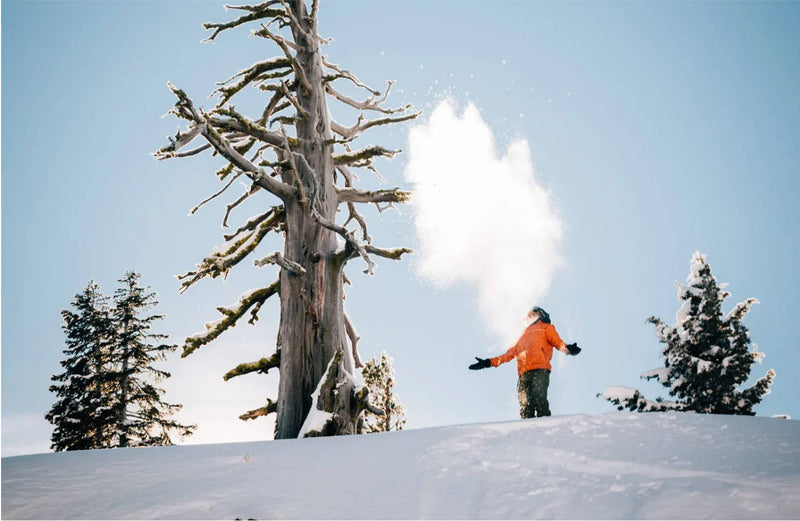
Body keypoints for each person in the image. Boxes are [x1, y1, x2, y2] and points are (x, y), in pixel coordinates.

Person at [469, 306, 580, 418]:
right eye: (528, 315)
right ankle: (527, 430)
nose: (528, 317)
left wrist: (568, 349)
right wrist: (488, 363)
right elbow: (508, 355)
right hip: (524, 374)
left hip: (540, 369)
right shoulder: (522, 335)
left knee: (539, 398)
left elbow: (557, 342)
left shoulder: (546, 327)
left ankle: (546, 428)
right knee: (525, 404)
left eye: (532, 314)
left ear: (540, 314)